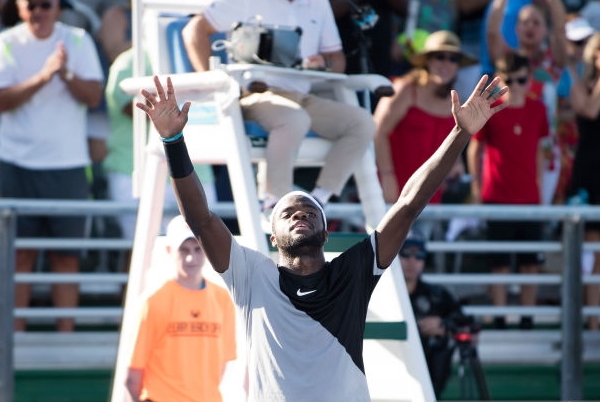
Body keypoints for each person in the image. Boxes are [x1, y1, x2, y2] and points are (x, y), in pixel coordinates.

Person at [133, 70, 507, 400]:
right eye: (289, 212)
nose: (300, 215)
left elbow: (408, 205)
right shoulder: (251, 275)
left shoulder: (352, 273)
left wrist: (460, 134)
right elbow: (201, 220)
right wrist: (173, 143)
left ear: (326, 234)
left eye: (310, 213)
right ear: (274, 238)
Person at [181, 0, 376, 218]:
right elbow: (194, 30)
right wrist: (215, 81)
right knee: (294, 119)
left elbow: (336, 59)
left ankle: (317, 202)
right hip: (252, 94)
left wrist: (323, 63)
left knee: (362, 122)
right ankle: (276, 205)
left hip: (302, 97)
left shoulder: (318, 3)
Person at [0, 0, 103, 332]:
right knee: (18, 258)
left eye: (46, 4)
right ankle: (14, 344)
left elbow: (94, 96)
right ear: (18, 7)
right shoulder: (6, 42)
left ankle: (66, 340)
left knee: (66, 257)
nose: (38, 11)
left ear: (59, 8)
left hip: (67, 165)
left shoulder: (77, 39)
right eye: (31, 5)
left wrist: (65, 73)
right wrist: (45, 76)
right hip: (15, 164)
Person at [467, 51, 548, 330]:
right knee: (499, 263)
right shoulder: (492, 109)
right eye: (509, 81)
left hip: (529, 199)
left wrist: (540, 192)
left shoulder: (538, 109)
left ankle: (527, 319)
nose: (515, 86)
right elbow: (475, 149)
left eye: (521, 79)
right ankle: (500, 317)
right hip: (496, 197)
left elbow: (539, 151)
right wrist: (476, 189)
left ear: (529, 79)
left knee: (530, 264)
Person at [373, 30, 475, 238]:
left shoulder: (455, 100)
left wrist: (456, 166)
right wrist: (387, 178)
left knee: (416, 259)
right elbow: (377, 132)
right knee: (387, 263)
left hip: (429, 199)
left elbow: (450, 145)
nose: (446, 63)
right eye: (440, 56)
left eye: (453, 58)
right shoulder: (404, 89)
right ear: (427, 60)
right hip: (393, 194)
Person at [126, 215, 237, 402]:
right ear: (170, 250)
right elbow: (133, 375)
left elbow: (223, 362)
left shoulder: (223, 298)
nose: (191, 257)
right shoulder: (152, 301)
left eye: (197, 249)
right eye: (183, 249)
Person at [486, 0, 567, 205]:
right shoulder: (506, 60)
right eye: (524, 22)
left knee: (540, 214)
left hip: (545, 150)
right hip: (506, 150)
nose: (530, 26)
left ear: (545, 30)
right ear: (515, 28)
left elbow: (559, 26)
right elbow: (493, 33)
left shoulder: (554, 61)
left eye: (536, 22)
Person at [399, 229, 466, 399]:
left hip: (430, 378)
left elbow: (465, 325)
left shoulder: (437, 296)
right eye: (405, 254)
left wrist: (443, 326)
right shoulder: (378, 293)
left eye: (419, 255)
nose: (412, 261)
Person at [567, 31, 600, 331]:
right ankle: (591, 322)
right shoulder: (583, 86)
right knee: (590, 253)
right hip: (589, 174)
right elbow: (590, 109)